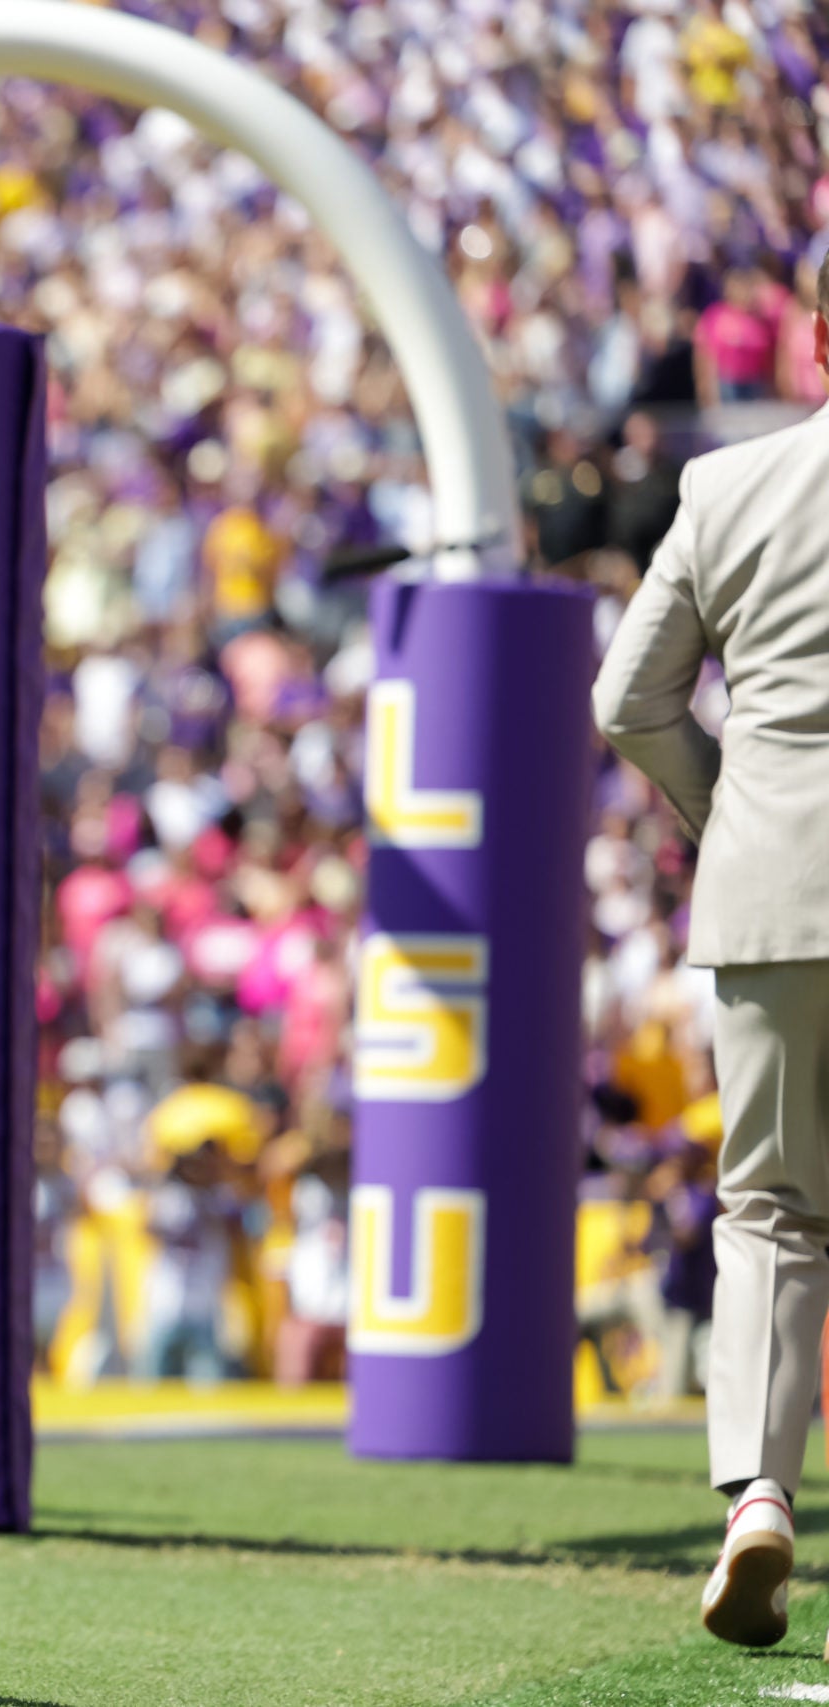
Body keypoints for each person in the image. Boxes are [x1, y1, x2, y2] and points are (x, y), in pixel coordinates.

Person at [594, 252, 829, 1654]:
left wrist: (726, 807)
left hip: (773, 882)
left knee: (773, 1208)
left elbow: (632, 696)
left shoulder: (730, 486)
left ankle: (759, 1497)